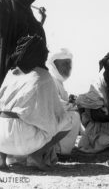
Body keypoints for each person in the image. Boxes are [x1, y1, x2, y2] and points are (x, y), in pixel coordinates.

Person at [0, 35, 76, 170]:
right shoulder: (43, 76)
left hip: (2, 140)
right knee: (67, 121)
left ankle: (1, 158)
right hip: (25, 142)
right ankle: (36, 155)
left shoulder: (11, 74)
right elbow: (55, 110)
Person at [0, 0, 46, 86]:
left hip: (24, 67)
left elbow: (33, 35)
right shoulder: (6, 4)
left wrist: (41, 21)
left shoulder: (28, 12)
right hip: (7, 60)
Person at [47, 48, 83, 155]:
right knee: (73, 116)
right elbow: (56, 104)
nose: (69, 67)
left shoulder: (58, 81)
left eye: (69, 64)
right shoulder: (50, 79)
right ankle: (58, 151)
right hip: (47, 122)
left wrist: (71, 102)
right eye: (65, 64)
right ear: (54, 65)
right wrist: (72, 104)